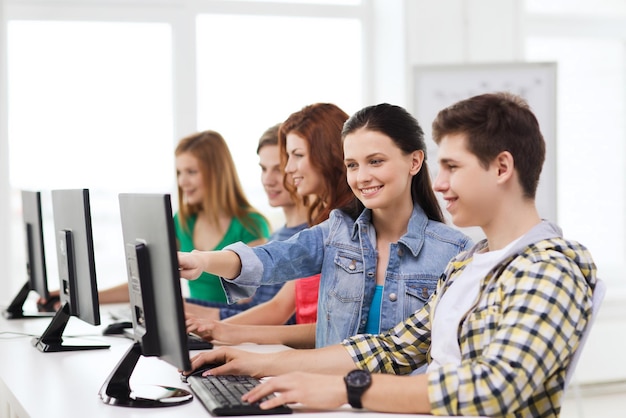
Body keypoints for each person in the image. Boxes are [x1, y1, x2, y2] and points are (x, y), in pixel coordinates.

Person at [182, 94, 597, 417]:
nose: (440, 183)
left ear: (502, 168)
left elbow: (496, 387)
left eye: (453, 167)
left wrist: (348, 388)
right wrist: (259, 364)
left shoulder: (549, 269)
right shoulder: (471, 263)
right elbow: (392, 347)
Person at [182, 103, 471, 350]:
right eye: (353, 165)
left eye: (375, 161)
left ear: (415, 161)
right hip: (330, 398)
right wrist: (201, 260)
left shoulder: (455, 253)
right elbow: (271, 259)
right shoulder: (336, 233)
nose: (362, 177)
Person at [186, 102, 356, 348]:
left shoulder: (346, 227)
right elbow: (271, 265)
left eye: (296, 156)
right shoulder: (326, 227)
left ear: (327, 154)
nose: (286, 170)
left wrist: (222, 331)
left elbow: (287, 313)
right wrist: (219, 330)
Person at [78, 130, 272, 306]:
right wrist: (86, 297)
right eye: (179, 172)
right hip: (195, 324)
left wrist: (190, 309)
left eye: (191, 172)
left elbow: (250, 307)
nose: (182, 181)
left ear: (216, 173)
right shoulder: (183, 221)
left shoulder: (251, 225)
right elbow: (148, 280)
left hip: (227, 331)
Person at [183, 123, 309, 320]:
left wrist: (193, 314)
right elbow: (251, 312)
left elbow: (280, 319)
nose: (268, 180)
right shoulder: (276, 237)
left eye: (279, 169)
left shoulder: (310, 238)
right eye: (263, 169)